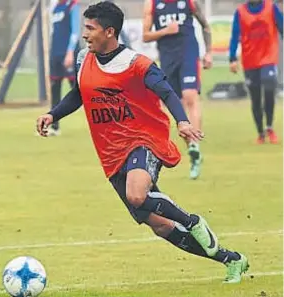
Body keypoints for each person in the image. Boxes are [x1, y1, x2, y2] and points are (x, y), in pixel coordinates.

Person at [36, 1, 249, 284]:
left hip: (143, 139)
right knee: (160, 227)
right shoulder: (82, 60)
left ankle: (192, 222)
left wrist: (183, 121)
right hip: (110, 154)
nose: (85, 34)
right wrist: (53, 114)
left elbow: (168, 92)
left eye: (90, 28)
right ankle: (231, 259)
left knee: (137, 194)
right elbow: (79, 94)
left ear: (109, 31)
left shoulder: (137, 64)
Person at [142, 0, 212, 180]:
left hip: (188, 54)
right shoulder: (151, 4)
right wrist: (165, 31)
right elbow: (145, 35)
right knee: (176, 106)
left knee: (190, 96)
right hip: (168, 59)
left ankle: (195, 144)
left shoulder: (189, 2)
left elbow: (205, 25)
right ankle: (192, 149)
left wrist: (209, 52)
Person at [229, 0, 283, 144]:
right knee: (255, 97)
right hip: (250, 61)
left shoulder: (271, 7)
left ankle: (270, 126)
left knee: (270, 87)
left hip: (268, 58)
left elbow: (282, 28)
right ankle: (260, 132)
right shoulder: (240, 12)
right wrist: (232, 58)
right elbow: (234, 36)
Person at [48, 0, 81, 136]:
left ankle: (104, 119)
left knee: (79, 91)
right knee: (55, 88)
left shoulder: (73, 5)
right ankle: (54, 126)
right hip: (55, 53)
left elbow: (75, 31)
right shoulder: (56, 7)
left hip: (68, 54)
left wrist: (70, 53)